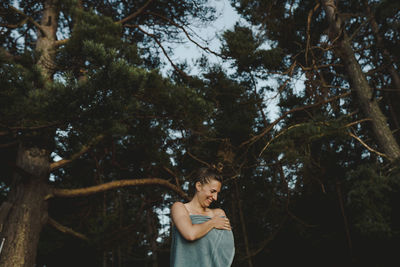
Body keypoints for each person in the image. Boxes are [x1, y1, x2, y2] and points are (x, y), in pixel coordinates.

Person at [170, 167, 235, 267]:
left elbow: (227, 248)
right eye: (212, 191)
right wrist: (212, 223)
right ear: (199, 186)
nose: (215, 198)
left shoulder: (218, 213)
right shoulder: (179, 207)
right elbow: (190, 234)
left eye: (217, 193)